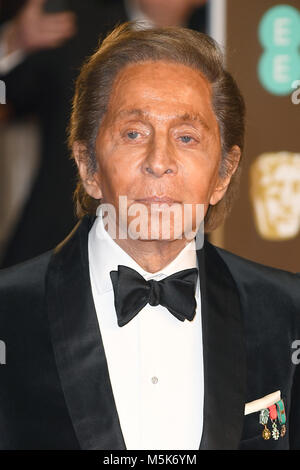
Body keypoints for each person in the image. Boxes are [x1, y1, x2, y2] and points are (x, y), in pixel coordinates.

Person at [0, 22, 300, 451]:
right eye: (134, 134)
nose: (160, 162)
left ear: (224, 173)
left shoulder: (287, 313)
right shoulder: (8, 314)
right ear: (88, 165)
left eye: (186, 137)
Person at [0, 0, 207, 268]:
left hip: (178, 255)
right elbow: (10, 94)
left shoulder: (222, 37)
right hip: (58, 240)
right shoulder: (75, 26)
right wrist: (13, 43)